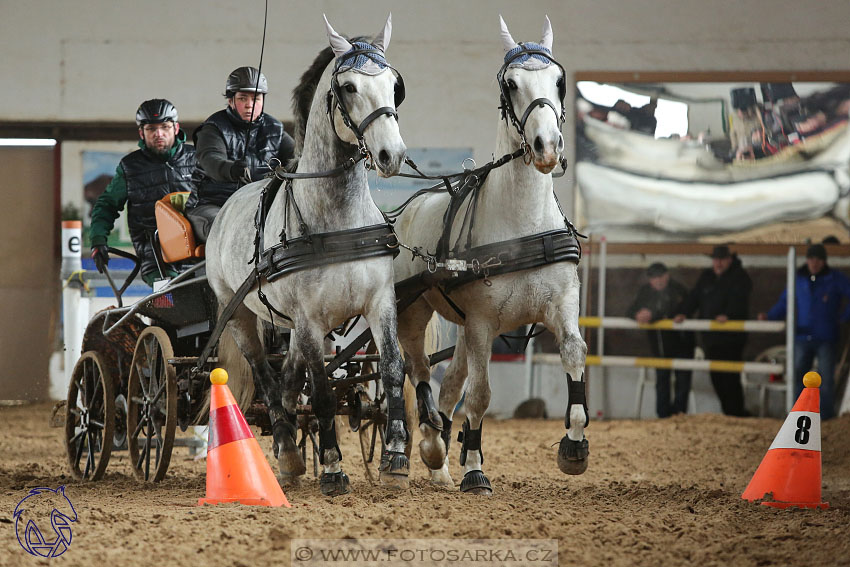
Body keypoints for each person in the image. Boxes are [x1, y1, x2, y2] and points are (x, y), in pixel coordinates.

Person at [89, 99, 196, 286]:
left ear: (176, 128)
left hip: (199, 251)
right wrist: (98, 241)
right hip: (156, 256)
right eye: (151, 129)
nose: (159, 134)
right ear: (141, 132)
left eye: (165, 126)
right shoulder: (130, 167)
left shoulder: (197, 159)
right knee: (170, 301)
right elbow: (106, 205)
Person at [185, 66, 295, 242]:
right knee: (226, 232)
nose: (249, 104)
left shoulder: (275, 129)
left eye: (256, 99)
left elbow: (297, 157)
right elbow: (211, 159)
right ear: (230, 101)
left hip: (255, 203)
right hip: (212, 203)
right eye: (242, 98)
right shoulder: (213, 128)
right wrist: (231, 169)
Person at [759, 244, 850, 420]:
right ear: (807, 260)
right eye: (812, 259)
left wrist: (845, 317)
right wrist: (769, 316)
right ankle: (799, 414)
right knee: (798, 375)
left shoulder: (834, 279)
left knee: (825, 378)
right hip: (803, 335)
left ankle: (824, 416)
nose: (814, 263)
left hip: (825, 336)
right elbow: (785, 302)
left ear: (824, 261)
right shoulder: (798, 279)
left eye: (818, 259)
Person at [675, 245, 752, 417]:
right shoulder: (707, 277)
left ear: (729, 260)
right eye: (716, 259)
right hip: (711, 336)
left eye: (721, 259)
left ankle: (735, 413)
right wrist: (682, 312)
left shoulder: (740, 277)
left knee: (730, 377)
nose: (718, 263)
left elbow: (740, 301)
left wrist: (729, 315)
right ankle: (730, 413)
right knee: (717, 376)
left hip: (732, 337)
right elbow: (694, 297)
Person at [627, 262, 694, 417]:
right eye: (654, 277)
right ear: (650, 280)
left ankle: (679, 415)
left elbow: (674, 308)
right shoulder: (645, 291)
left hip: (682, 344)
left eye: (660, 276)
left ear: (667, 276)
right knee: (662, 381)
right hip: (660, 346)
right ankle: (664, 416)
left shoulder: (677, 290)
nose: (658, 280)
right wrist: (638, 314)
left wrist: (651, 315)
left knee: (682, 382)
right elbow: (630, 309)